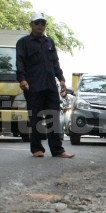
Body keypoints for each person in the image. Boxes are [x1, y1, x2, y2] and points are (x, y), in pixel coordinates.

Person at [16, 12, 74, 159]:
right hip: (33, 86)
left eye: (43, 23)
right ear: (31, 25)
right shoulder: (23, 42)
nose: (40, 26)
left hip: (50, 85)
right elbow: (20, 62)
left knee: (53, 117)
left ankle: (57, 150)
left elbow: (55, 62)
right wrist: (22, 79)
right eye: (37, 23)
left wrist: (61, 78)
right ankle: (36, 148)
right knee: (36, 118)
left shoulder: (49, 42)